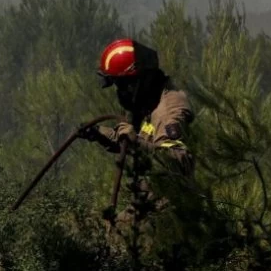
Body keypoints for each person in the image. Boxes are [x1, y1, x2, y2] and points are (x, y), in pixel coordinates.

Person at [80, 38, 195, 177]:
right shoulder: (149, 103)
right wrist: (100, 133)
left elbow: (180, 163)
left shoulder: (167, 111)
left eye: (122, 86)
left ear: (140, 80)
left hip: (173, 198)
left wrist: (137, 143)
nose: (121, 92)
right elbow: (138, 139)